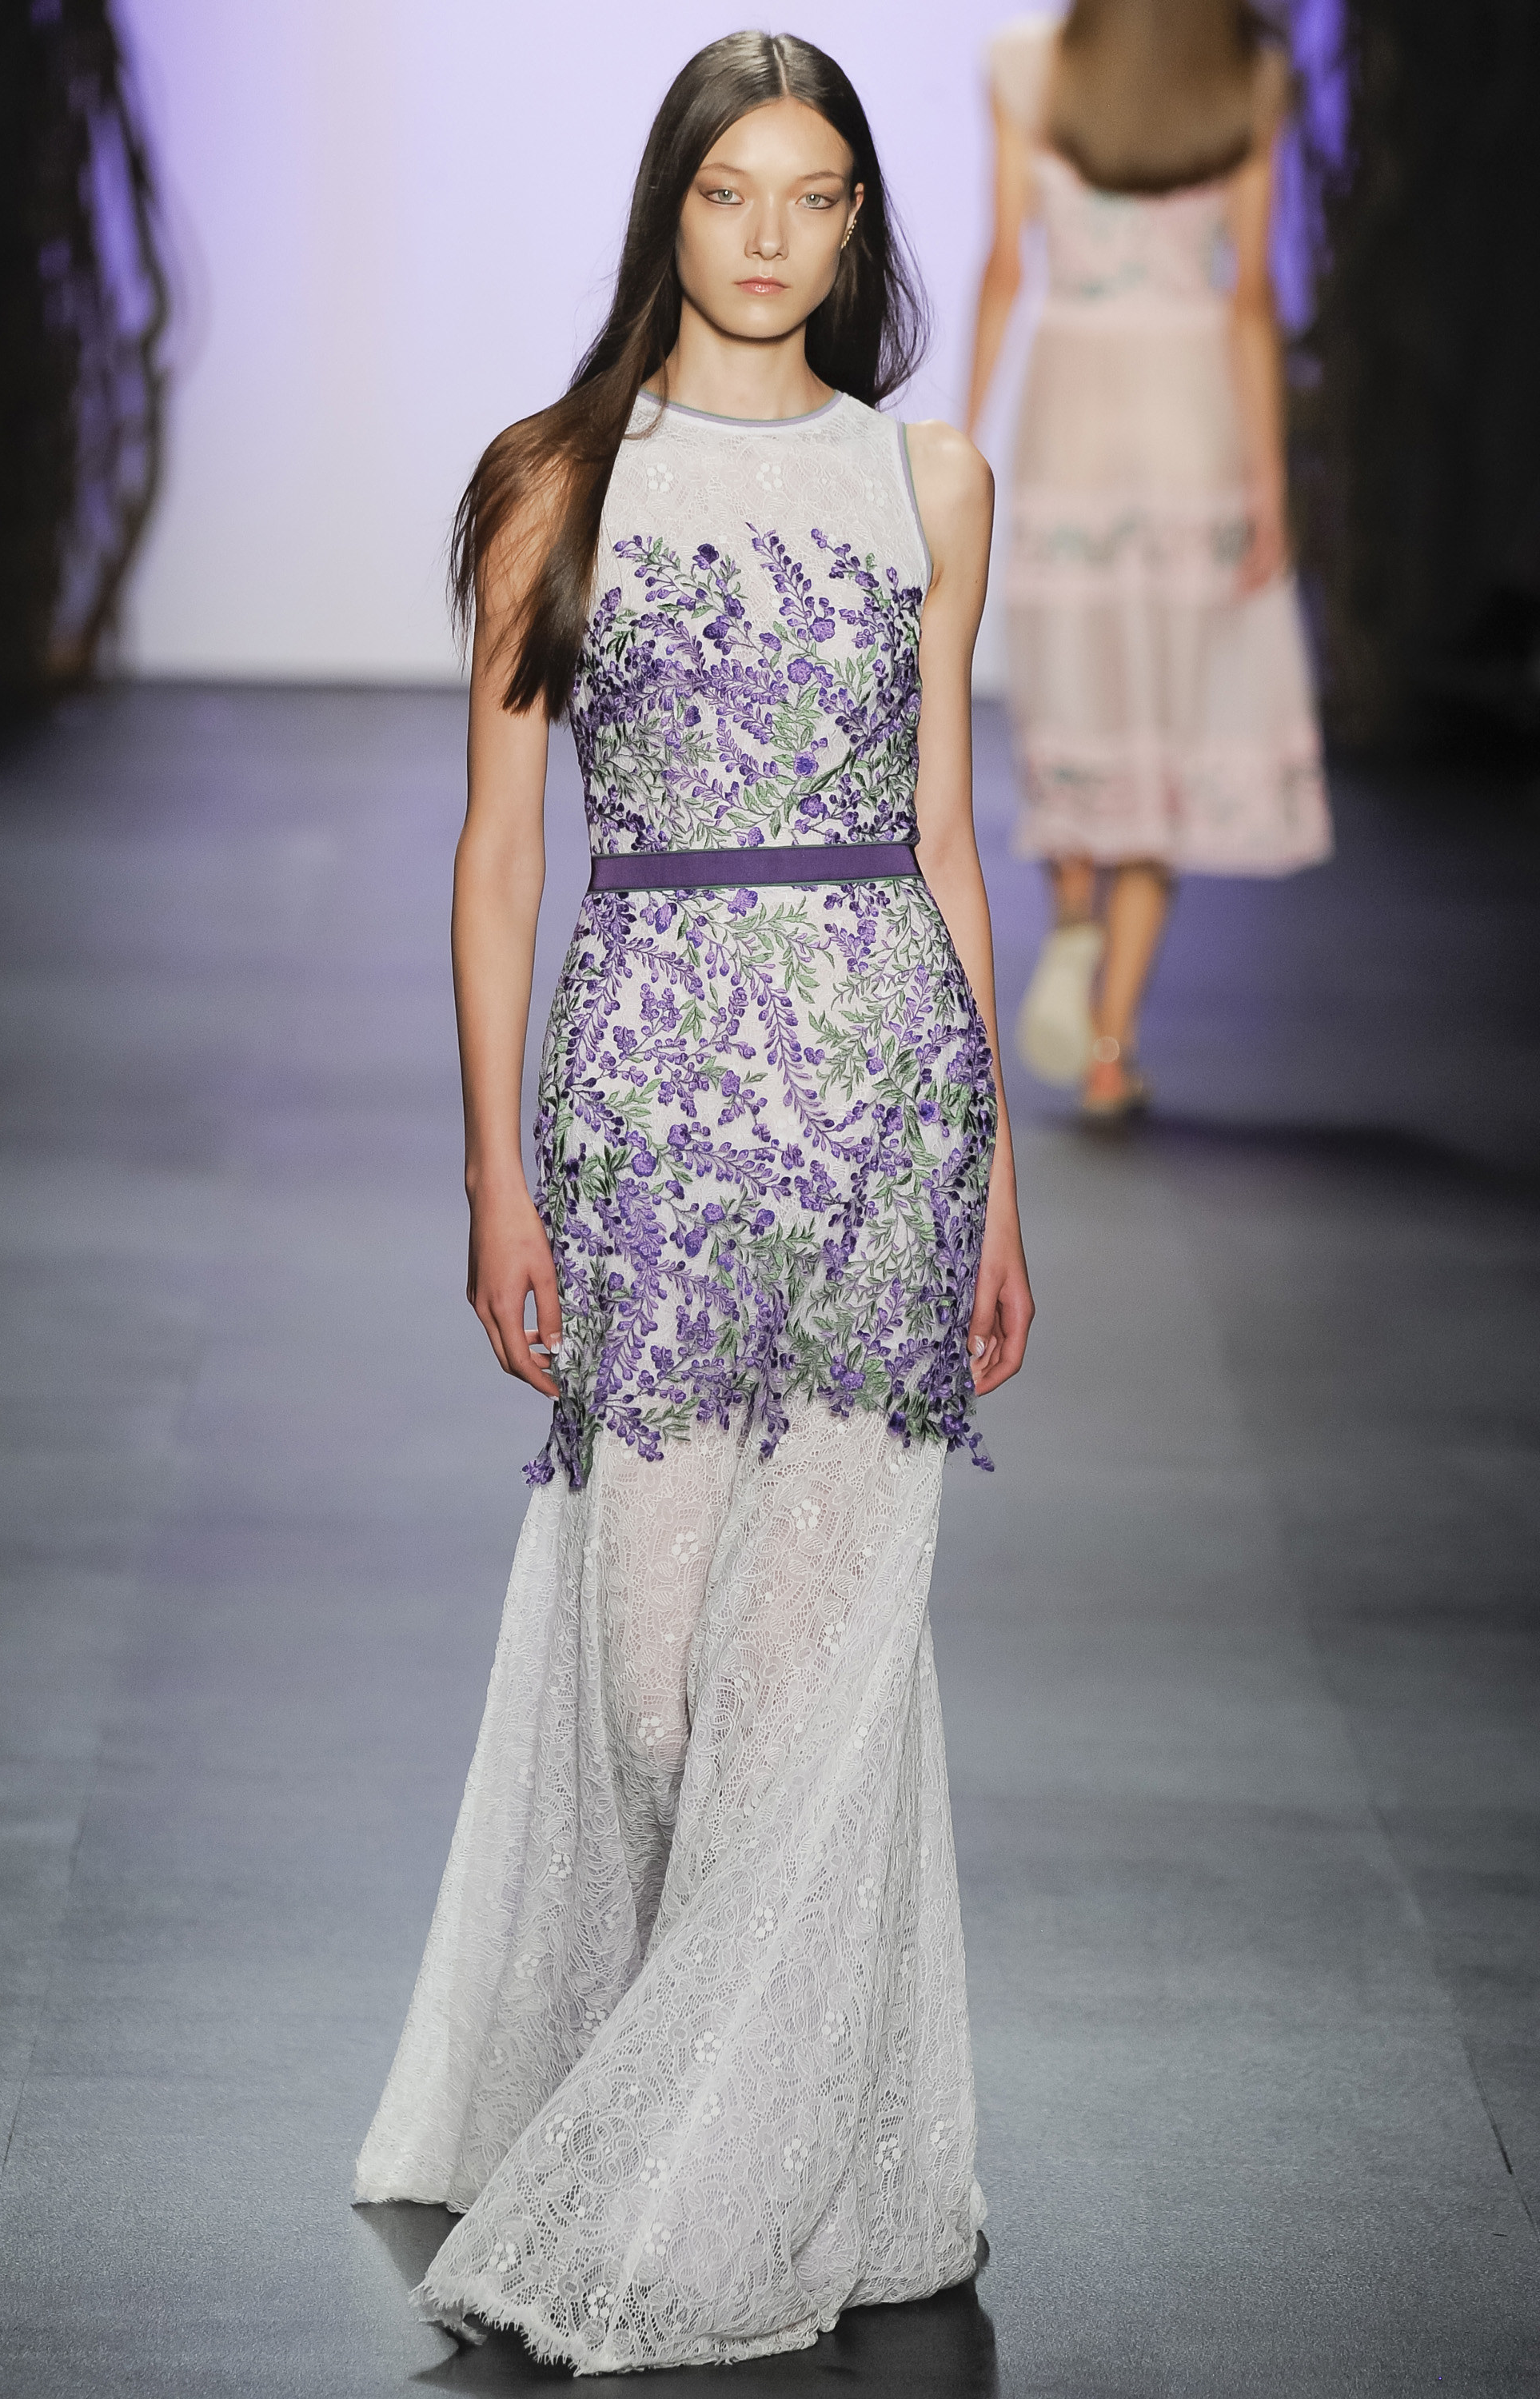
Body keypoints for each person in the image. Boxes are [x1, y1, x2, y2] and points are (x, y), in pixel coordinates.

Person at [353, 32, 1034, 2374]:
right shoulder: (559, 482)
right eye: (731, 189)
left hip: (882, 1113)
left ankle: (719, 2196)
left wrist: (1000, 1185)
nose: (769, 236)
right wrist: (492, 1173)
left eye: (813, 194)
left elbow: (947, 842)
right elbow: (498, 859)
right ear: (669, 208)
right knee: (651, 1690)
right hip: (645, 1110)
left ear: (857, 224)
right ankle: (729, 2118)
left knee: (803, 1691)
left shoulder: (931, 481)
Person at [967, 0, 1332, 1120]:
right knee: (1161, 720)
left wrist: (958, 440)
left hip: (1073, 408)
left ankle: (1073, 918)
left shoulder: (1025, 67)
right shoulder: (1248, 77)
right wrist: (1268, 485)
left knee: (1076, 692)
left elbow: (1005, 266)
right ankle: (1111, 1047)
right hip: (1190, 413)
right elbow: (1251, 294)